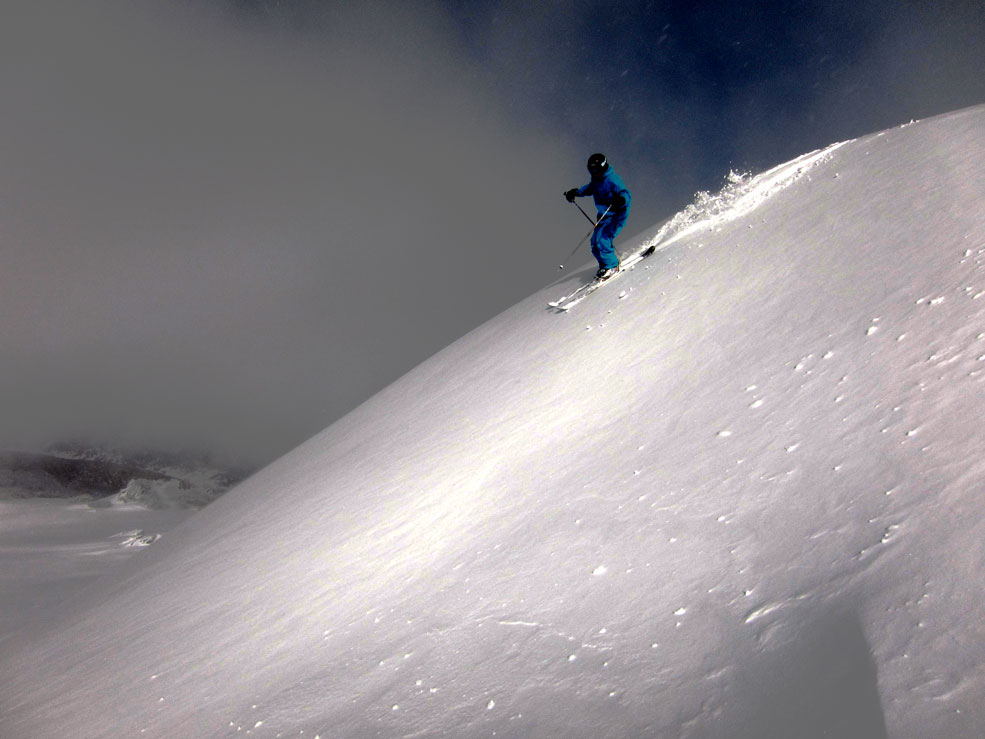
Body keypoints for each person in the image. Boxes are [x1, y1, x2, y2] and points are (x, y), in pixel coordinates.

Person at [565, 153, 632, 280]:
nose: (594, 173)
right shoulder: (596, 180)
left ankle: (612, 265)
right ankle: (604, 266)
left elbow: (626, 194)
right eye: (591, 171)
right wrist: (575, 193)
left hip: (617, 215)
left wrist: (621, 200)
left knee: (603, 239)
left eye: (596, 170)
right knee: (594, 243)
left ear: (603, 168)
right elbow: (589, 189)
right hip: (604, 216)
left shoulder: (612, 180)